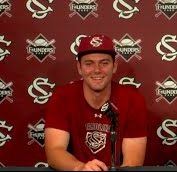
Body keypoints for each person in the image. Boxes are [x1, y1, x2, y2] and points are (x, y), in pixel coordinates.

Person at [44, 34, 148, 171]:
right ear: (79, 68)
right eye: (89, 63)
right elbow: (54, 152)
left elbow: (133, 161)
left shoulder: (133, 99)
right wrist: (81, 168)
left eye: (104, 63)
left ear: (114, 66)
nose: (97, 70)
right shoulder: (62, 97)